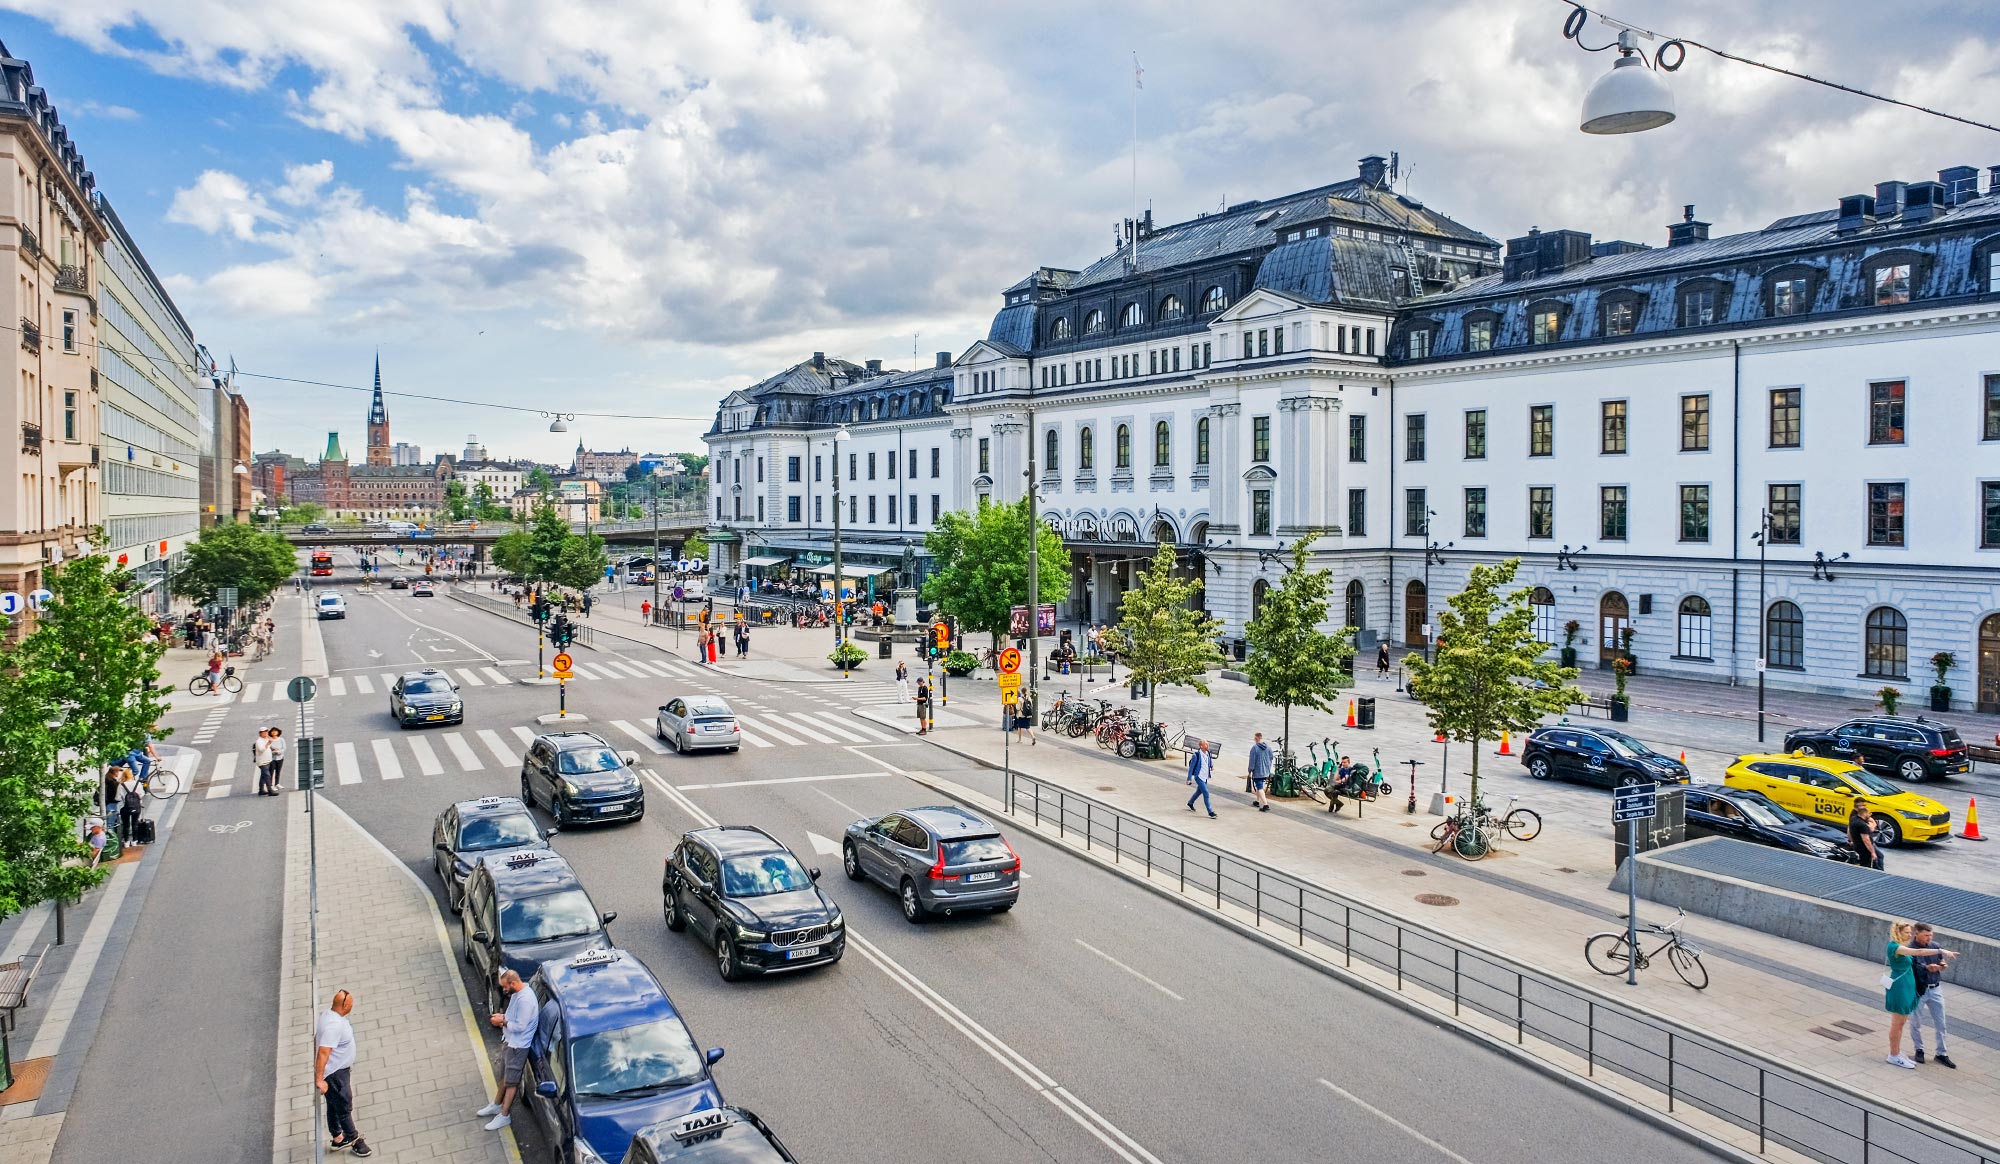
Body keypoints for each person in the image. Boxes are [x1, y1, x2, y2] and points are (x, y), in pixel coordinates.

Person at [1884, 920, 1949, 1069]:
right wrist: (1941, 951)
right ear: (1898, 933)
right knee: (1897, 1024)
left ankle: (1896, 1053)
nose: (1909, 935)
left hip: (1906, 987)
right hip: (1900, 988)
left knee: (1900, 1023)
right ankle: (1893, 1055)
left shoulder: (1900, 947)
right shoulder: (1895, 947)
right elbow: (1918, 952)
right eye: (1906, 932)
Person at [315, 989, 372, 1156]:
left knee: (334, 1104)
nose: (353, 1005)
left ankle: (338, 1137)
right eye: (351, 1003)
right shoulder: (334, 1025)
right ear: (345, 1005)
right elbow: (323, 1052)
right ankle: (354, 1139)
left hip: (337, 1071)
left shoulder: (329, 1015)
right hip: (335, 1074)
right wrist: (320, 1079)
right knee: (343, 1106)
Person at [480, 969, 538, 1130]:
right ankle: (497, 1104)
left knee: (511, 1082)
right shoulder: (517, 994)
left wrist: (502, 1022)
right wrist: (503, 1017)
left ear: (513, 983)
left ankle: (504, 1115)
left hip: (518, 1045)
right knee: (504, 1077)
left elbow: (520, 1026)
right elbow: (513, 1017)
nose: (504, 990)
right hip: (510, 1041)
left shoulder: (525, 1000)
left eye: (505, 987)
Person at [1907, 922, 1960, 1068]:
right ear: (1916, 933)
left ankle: (1941, 1053)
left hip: (1936, 988)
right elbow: (1914, 967)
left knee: (1941, 1022)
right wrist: (1927, 968)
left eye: (1930, 935)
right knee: (1916, 1021)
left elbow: (1940, 960)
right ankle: (1919, 1049)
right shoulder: (1910, 949)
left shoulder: (1935, 945)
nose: (1928, 938)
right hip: (1919, 989)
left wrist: (1942, 965)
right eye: (1925, 935)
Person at [1186, 739, 1217, 817]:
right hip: (1199, 777)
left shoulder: (1207, 753)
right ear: (1201, 746)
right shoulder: (1196, 755)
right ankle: (1210, 812)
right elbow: (1191, 768)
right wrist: (1189, 779)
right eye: (1206, 744)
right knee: (1206, 793)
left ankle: (1190, 803)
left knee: (1199, 792)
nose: (1208, 746)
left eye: (1208, 744)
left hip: (1205, 777)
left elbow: (1209, 760)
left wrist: (1211, 766)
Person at [1849, 803, 1883, 870]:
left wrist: (1851, 840)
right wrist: (1873, 852)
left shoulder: (1853, 819)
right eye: (1869, 813)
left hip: (1857, 845)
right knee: (1866, 865)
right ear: (1864, 814)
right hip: (1864, 849)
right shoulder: (1863, 825)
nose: (1870, 815)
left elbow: (1849, 830)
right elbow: (1866, 840)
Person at [1247, 732, 1273, 811]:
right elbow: (1271, 757)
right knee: (1259, 785)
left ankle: (1266, 805)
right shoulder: (1268, 747)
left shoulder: (1254, 748)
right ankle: (1257, 801)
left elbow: (1252, 761)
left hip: (1258, 771)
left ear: (1256, 738)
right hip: (1266, 770)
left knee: (1260, 787)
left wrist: (1250, 770)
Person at [120, 775, 144, 844]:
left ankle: (126, 841)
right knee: (135, 823)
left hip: (125, 807)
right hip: (136, 806)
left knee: (126, 824)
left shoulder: (121, 785)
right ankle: (135, 840)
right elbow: (142, 794)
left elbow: (118, 797)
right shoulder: (138, 784)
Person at [255, 728, 275, 797]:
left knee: (263, 776)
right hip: (262, 762)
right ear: (260, 733)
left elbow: (271, 742)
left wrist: (271, 746)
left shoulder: (266, 739)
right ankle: (270, 791)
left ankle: (261, 790)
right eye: (264, 732)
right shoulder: (258, 741)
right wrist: (268, 743)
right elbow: (261, 750)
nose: (266, 733)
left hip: (268, 760)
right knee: (267, 776)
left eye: (267, 732)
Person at [267, 727, 287, 793]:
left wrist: (278, 752)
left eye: (275, 731)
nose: (274, 732)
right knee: (271, 772)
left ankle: (277, 783)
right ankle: (271, 785)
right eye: (272, 731)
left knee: (278, 772)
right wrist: (273, 752)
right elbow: (267, 749)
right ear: (270, 733)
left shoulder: (281, 739)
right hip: (272, 758)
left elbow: (284, 748)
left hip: (280, 757)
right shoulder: (269, 740)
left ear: (278, 732)